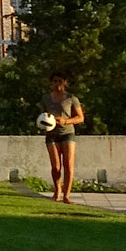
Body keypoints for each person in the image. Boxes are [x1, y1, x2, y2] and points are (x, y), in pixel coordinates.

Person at [42, 72, 84, 202]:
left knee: (68, 164)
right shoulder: (46, 98)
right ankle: (57, 189)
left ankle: (66, 195)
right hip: (51, 134)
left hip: (67, 133)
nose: (57, 84)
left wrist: (66, 121)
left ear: (65, 82)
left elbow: (80, 117)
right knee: (56, 167)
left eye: (60, 81)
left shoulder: (71, 98)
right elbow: (42, 115)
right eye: (55, 81)